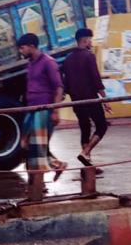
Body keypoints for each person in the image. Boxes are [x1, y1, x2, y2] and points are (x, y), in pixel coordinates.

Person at [18, 33, 65, 185]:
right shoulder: (30, 63)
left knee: (37, 147)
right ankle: (57, 165)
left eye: (22, 48)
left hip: (44, 110)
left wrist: (55, 111)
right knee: (26, 144)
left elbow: (58, 88)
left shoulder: (48, 62)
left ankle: (38, 185)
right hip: (31, 109)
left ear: (32, 46)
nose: (21, 51)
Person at [62, 28, 111, 170]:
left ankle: (88, 166)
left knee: (85, 128)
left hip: (76, 101)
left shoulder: (67, 59)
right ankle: (86, 152)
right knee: (101, 126)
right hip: (91, 99)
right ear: (85, 40)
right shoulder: (89, 56)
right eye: (90, 39)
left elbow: (65, 83)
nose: (91, 42)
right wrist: (105, 100)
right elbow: (96, 80)